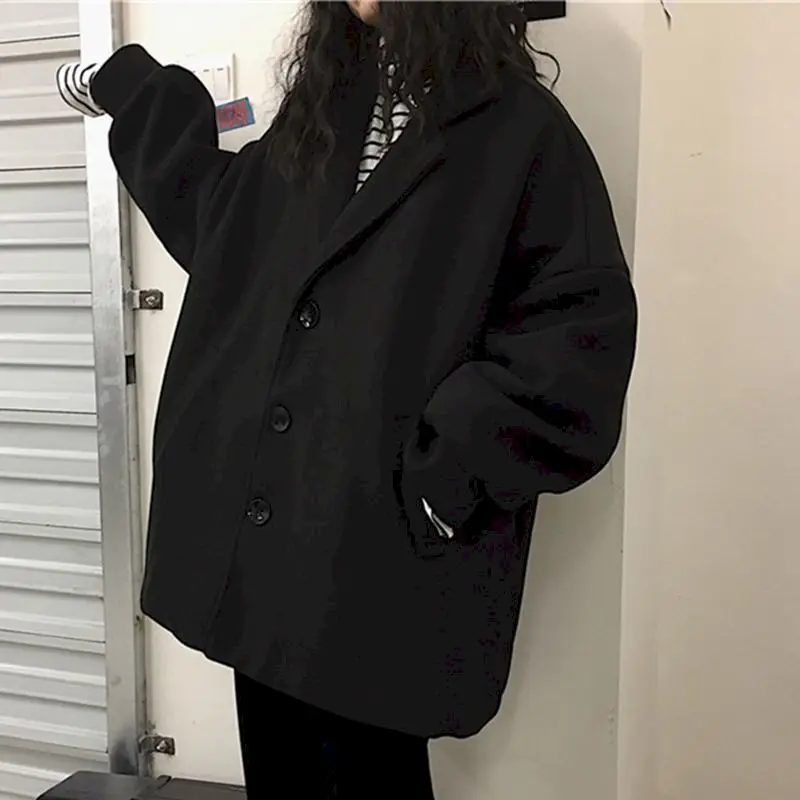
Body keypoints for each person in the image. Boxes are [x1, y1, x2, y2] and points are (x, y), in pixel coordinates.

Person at [57, 1, 637, 797]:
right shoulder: (326, 113)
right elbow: (226, 225)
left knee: (371, 775)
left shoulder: (521, 132)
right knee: (281, 769)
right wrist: (142, 92)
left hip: (381, 546)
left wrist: (447, 475)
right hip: (274, 535)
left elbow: (575, 342)